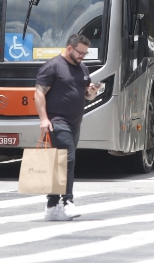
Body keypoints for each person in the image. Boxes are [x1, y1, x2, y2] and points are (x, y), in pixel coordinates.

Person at [34, 33, 98, 221]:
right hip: (57, 122)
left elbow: (87, 95)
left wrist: (92, 92)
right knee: (67, 160)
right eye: (80, 52)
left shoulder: (83, 68)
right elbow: (38, 94)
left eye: (85, 53)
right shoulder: (53, 67)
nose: (82, 56)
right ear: (69, 48)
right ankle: (68, 202)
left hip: (74, 122)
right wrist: (44, 119)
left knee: (59, 163)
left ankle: (52, 206)